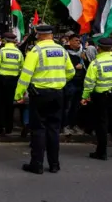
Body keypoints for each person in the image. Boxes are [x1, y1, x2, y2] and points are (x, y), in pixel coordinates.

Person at [14, 25, 75, 174]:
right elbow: (71, 72)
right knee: (54, 130)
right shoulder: (61, 50)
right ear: (51, 35)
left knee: (39, 130)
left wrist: (18, 95)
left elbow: (25, 75)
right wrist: (58, 82)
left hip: (40, 94)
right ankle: (54, 164)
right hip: (58, 94)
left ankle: (37, 164)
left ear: (39, 35)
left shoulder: (36, 51)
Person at [81, 38, 112, 160]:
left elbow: (89, 82)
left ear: (98, 48)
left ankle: (101, 152)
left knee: (101, 124)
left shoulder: (96, 63)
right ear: (111, 48)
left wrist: (85, 97)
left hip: (100, 97)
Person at [0, 33, 23, 136]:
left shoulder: (1, 52)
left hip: (2, 80)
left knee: (1, 104)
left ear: (5, 41)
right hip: (13, 81)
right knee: (10, 105)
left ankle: (1, 126)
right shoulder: (19, 53)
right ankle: (9, 127)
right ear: (14, 41)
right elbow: (22, 68)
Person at [63, 34, 86, 135]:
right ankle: (65, 125)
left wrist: (85, 60)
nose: (78, 42)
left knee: (76, 106)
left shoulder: (81, 53)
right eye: (76, 40)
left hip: (79, 83)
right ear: (70, 41)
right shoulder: (65, 53)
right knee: (68, 106)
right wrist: (74, 67)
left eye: (79, 41)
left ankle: (73, 124)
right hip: (70, 83)